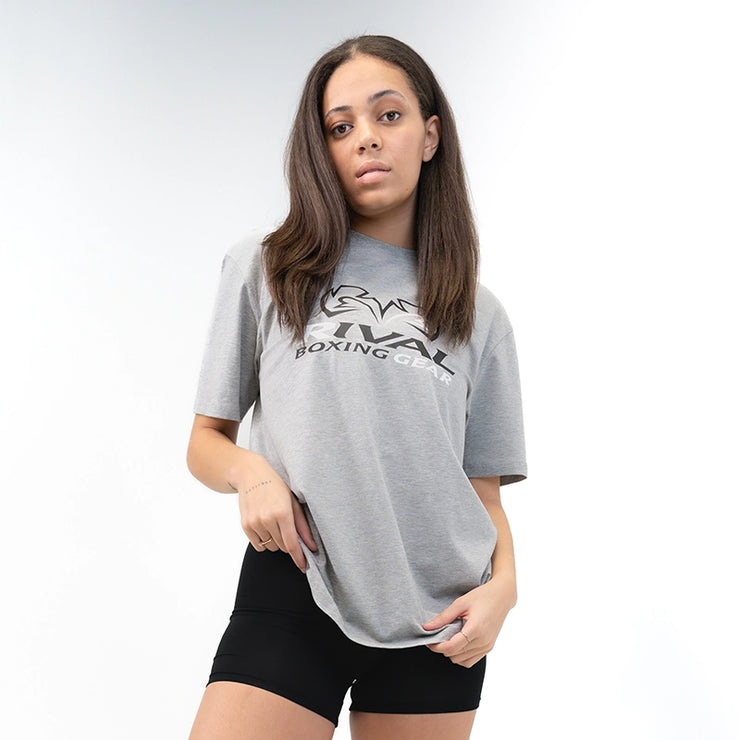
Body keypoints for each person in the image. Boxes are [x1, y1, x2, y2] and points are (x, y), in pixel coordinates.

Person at [186, 34, 526, 740]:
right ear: (322, 150)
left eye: (388, 115)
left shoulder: (480, 314)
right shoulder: (267, 267)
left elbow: (483, 495)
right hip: (298, 578)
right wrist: (253, 475)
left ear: (430, 136)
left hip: (442, 618)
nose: (365, 138)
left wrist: (505, 589)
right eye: (340, 127)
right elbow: (206, 442)